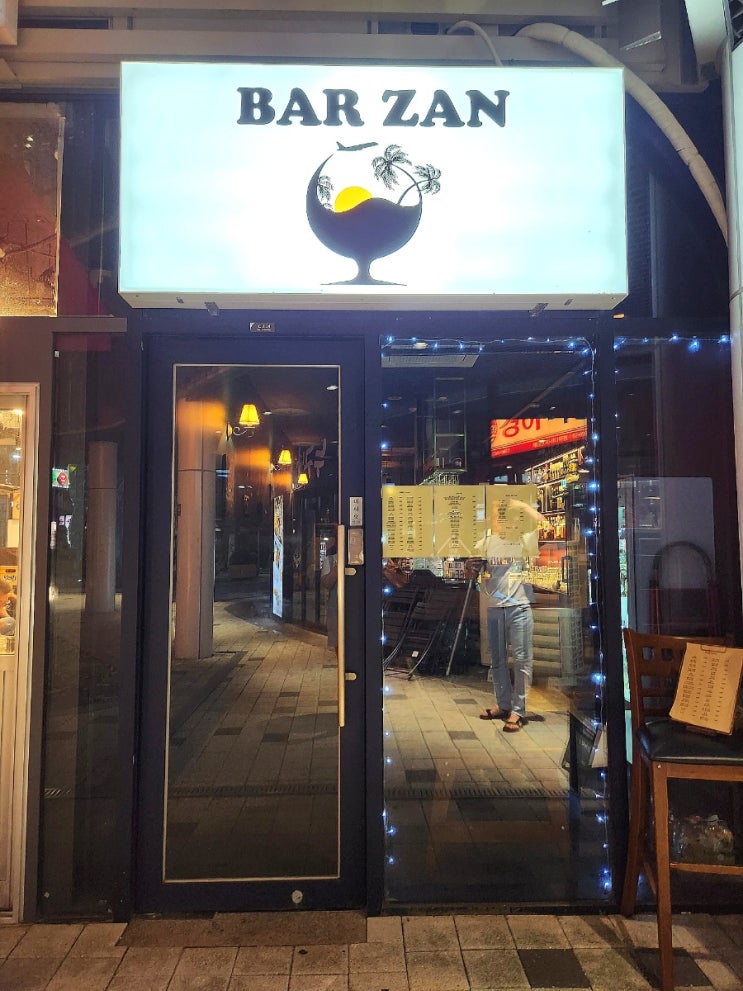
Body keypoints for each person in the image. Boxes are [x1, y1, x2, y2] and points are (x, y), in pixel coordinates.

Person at [473, 494, 544, 734]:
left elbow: (540, 520)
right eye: (495, 516)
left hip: (519, 606)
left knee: (522, 659)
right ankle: (503, 704)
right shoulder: (486, 542)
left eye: (501, 515)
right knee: (497, 658)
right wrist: (474, 568)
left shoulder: (523, 539)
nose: (498, 520)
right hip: (495, 607)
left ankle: (518, 710)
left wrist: (519, 504)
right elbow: (475, 568)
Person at [320, 534, 338, 651]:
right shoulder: (330, 560)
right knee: (337, 640)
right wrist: (335, 571)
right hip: (336, 609)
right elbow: (326, 583)